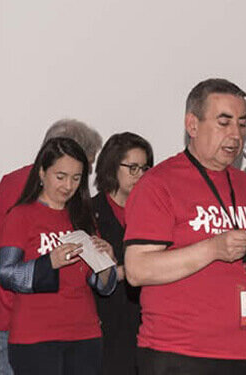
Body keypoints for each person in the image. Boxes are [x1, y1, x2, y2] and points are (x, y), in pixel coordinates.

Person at [123, 78, 246, 375]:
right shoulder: (159, 184)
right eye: (224, 122)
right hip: (180, 354)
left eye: (242, 124)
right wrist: (213, 248)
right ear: (192, 125)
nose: (236, 134)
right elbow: (137, 270)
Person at [0, 119, 102, 375]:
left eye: (79, 175)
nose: (74, 184)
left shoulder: (22, 184)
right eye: (81, 165)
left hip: (37, 322)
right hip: (13, 319)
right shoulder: (25, 192)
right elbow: (11, 265)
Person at [0, 137, 116, 374]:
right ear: (42, 173)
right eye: (60, 176)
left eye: (76, 178)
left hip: (85, 334)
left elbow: (102, 286)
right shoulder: (21, 215)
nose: (68, 186)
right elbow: (5, 274)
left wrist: (106, 262)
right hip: (35, 338)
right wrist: (48, 263)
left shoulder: (83, 217)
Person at [93, 132, 154, 374]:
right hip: (105, 328)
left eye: (145, 168)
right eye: (133, 168)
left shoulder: (153, 214)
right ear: (111, 167)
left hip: (146, 324)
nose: (140, 175)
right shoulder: (89, 211)